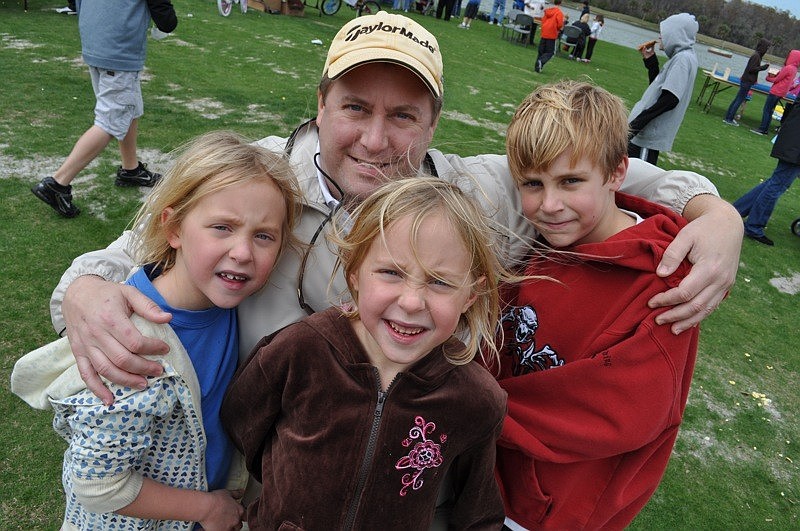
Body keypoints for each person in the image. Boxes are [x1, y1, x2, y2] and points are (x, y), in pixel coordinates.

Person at [49, 9, 740, 497]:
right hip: (269, 477)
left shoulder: (475, 189)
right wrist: (83, 290)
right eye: (355, 107)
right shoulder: (257, 182)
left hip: (408, 486)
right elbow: (130, 253)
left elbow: (599, 169)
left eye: (403, 115)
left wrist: (710, 208)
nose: (377, 141)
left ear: (433, 121)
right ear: (320, 103)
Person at [12, 131, 302, 530]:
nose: (242, 252)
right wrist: (205, 509)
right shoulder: (131, 345)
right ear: (174, 228)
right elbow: (98, 485)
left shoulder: (222, 299)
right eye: (222, 227)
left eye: (264, 236)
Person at [220, 177, 509, 528]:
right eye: (391, 273)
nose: (411, 301)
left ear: (470, 296)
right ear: (355, 272)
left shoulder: (475, 399)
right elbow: (241, 422)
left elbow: (477, 511)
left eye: (440, 282)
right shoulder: (300, 350)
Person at [496, 80, 700, 530]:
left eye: (571, 181)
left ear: (616, 173)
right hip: (490, 483)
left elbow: (617, 413)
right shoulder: (542, 241)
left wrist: (468, 404)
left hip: (552, 512)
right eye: (532, 184)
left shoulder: (663, 285)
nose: (549, 205)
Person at [30, 0, 177, 219]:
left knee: (129, 106)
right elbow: (164, 16)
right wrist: (167, 24)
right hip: (119, 48)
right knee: (109, 120)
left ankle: (131, 169)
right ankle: (58, 183)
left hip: (96, 41)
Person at [627, 13, 698, 166]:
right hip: (642, 135)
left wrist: (634, 126)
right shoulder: (681, 57)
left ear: (675, 34)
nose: (660, 36)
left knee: (638, 184)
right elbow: (658, 89)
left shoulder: (683, 59)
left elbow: (670, 99)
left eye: (664, 32)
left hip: (647, 137)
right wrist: (651, 61)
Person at [734, 101, 800, 246]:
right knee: (778, 184)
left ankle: (736, 211)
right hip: (795, 145)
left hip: (793, 142)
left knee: (776, 182)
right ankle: (754, 226)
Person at [722, 38, 771, 127]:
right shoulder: (756, 56)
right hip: (747, 81)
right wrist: (763, 68)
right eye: (767, 48)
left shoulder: (757, 55)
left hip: (746, 80)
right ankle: (729, 119)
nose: (767, 50)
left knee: (737, 99)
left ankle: (728, 117)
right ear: (763, 47)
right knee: (739, 100)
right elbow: (751, 69)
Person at [750, 49, 800, 135]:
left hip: (776, 91)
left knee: (767, 110)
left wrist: (768, 77)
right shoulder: (794, 69)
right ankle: (765, 129)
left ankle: (762, 129)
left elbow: (776, 79)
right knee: (770, 110)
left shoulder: (788, 68)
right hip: (782, 92)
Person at [534, 0, 564, 73]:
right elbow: (560, 24)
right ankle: (541, 61)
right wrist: (558, 28)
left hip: (545, 32)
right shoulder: (559, 13)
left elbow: (543, 20)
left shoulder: (548, 11)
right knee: (550, 52)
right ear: (560, 3)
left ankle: (537, 67)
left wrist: (544, 27)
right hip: (551, 33)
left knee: (541, 51)